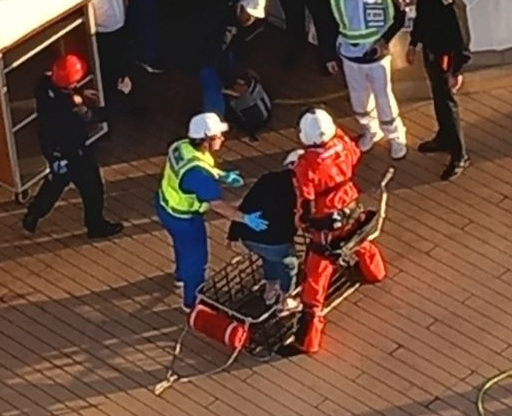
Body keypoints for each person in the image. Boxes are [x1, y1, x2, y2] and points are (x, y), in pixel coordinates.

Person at [290, 107, 387, 353]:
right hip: (351, 204)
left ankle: (309, 340)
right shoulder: (342, 141)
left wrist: (303, 221)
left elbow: (306, 200)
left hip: (327, 220)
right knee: (357, 239)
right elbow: (354, 154)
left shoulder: (306, 164)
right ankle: (374, 272)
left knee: (317, 274)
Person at [156, 112, 268, 311]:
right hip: (185, 218)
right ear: (206, 141)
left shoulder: (180, 146)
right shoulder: (199, 177)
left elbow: (198, 166)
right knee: (197, 260)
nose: (223, 138)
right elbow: (217, 205)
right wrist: (245, 219)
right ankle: (192, 302)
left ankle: (181, 276)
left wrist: (222, 175)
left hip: (165, 206)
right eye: (218, 136)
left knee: (182, 248)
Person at [21, 53, 124, 239]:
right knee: (92, 187)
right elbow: (94, 116)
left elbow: (63, 90)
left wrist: (80, 93)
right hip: (73, 151)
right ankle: (95, 225)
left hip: (52, 146)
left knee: (55, 183)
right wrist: (120, 94)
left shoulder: (43, 85)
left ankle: (34, 214)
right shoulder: (71, 104)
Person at [332, 0, 409, 160]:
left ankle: (395, 135)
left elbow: (400, 18)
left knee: (384, 96)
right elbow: (329, 23)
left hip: (377, 57)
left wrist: (383, 41)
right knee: (359, 98)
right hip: (350, 56)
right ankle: (370, 129)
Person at [403, 0, 472, 181]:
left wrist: (457, 71)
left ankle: (460, 154)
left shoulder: (448, 3)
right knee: (438, 98)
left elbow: (461, 40)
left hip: (445, 60)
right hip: (431, 56)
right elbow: (421, 22)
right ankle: (444, 138)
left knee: (449, 104)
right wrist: (413, 43)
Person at [227, 150, 301, 311]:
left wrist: (233, 234)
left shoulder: (267, 179)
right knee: (289, 262)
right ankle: (285, 299)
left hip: (249, 236)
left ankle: (270, 285)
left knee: (270, 255)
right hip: (276, 242)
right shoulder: (301, 189)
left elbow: (246, 204)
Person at [195, 0, 268, 118]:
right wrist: (231, 83)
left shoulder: (237, 20)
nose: (250, 19)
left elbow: (237, 46)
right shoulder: (219, 21)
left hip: (218, 52)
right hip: (200, 55)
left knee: (231, 64)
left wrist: (243, 70)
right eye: (249, 14)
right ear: (240, 6)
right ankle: (213, 123)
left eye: (254, 17)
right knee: (212, 86)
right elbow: (214, 52)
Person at [89, 0, 134, 106]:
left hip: (105, 25)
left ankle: (116, 94)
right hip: (113, 22)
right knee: (116, 62)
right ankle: (120, 91)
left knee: (110, 64)